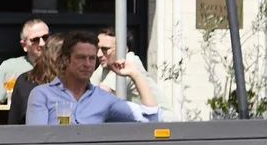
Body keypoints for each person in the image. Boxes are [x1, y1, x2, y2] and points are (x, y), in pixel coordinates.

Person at [26, 31, 164, 125]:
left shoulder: (103, 99)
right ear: (66, 60)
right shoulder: (43, 94)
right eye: (81, 58)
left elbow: (151, 118)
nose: (87, 64)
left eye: (91, 58)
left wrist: (135, 74)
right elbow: (36, 140)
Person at [0, 18, 52, 104]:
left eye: (45, 37)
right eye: (35, 40)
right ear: (24, 45)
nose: (42, 43)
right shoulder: (10, 66)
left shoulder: (60, 66)